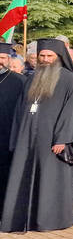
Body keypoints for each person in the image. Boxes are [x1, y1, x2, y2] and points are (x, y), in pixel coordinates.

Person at [1, 38, 73, 232]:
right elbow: (21, 109)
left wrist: (63, 139)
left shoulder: (69, 79)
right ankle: (27, 218)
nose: (45, 59)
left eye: (49, 55)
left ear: (58, 57)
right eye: (42, 55)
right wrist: (18, 136)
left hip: (53, 141)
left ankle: (49, 219)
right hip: (28, 139)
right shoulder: (32, 77)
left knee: (49, 179)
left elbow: (72, 112)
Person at [0, 42, 27, 216]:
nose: (0, 61)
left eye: (2, 58)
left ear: (9, 59)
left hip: (8, 137)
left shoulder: (20, 81)